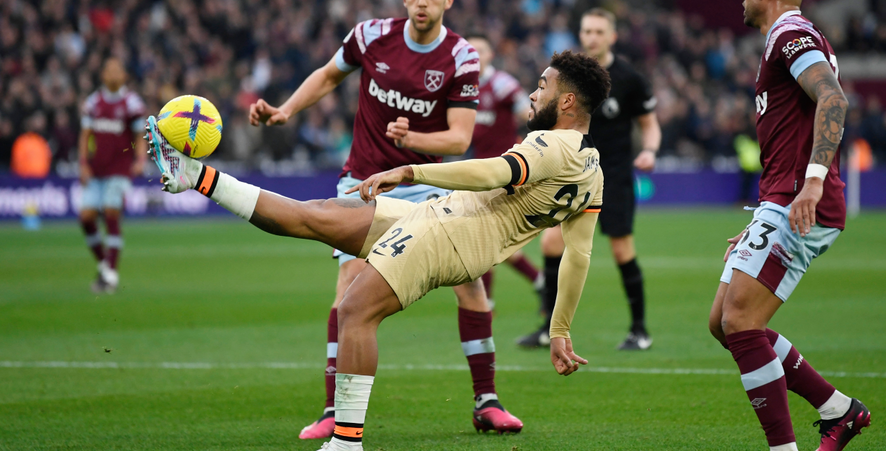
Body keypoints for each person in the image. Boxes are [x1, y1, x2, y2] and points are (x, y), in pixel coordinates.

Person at [149, 50, 609, 451]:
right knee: (317, 214)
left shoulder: (550, 144)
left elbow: (494, 173)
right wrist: (560, 329)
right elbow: (579, 254)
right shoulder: (592, 171)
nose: (533, 92)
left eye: (543, 85)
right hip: (444, 220)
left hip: (449, 233)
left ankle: (347, 441)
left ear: (566, 101)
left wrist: (412, 171)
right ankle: (196, 177)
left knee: (354, 311)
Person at [248, 0, 522, 438]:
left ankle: (487, 402)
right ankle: (334, 411)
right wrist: (286, 109)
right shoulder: (371, 35)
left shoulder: (461, 57)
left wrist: (414, 136)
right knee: (349, 288)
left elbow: (459, 139)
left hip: (426, 183)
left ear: (448, 0)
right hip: (361, 182)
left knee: (471, 283)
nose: (422, 1)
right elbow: (329, 74)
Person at [709, 0, 870, 451]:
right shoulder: (786, 37)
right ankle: (839, 411)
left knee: (740, 321)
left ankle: (784, 448)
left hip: (802, 200)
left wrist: (814, 180)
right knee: (723, 323)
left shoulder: (791, 34)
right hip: (779, 199)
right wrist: (763, 217)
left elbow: (833, 98)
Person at [517, 8, 660, 350]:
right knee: (550, 243)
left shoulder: (629, 78)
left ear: (612, 36)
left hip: (613, 174)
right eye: (587, 31)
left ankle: (639, 329)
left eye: (599, 31)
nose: (592, 37)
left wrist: (650, 150)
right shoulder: (564, 78)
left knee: (621, 247)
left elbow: (648, 124)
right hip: (570, 170)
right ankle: (548, 327)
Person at [466, 33, 543, 306]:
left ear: (490, 55)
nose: (475, 54)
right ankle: (539, 280)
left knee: (485, 236)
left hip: (504, 170)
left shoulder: (501, 83)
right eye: (470, 49)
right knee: (493, 239)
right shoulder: (462, 87)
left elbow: (527, 111)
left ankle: (485, 301)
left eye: (481, 49)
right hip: (479, 170)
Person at [78, 58, 148, 294]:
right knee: (86, 217)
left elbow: (139, 136)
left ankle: (111, 274)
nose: (113, 74)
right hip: (96, 169)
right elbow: (85, 135)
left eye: (118, 70)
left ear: (124, 75)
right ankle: (104, 265)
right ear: (103, 75)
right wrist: (83, 164)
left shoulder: (131, 103)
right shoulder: (93, 103)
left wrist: (140, 160)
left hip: (119, 169)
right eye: (109, 70)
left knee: (110, 213)